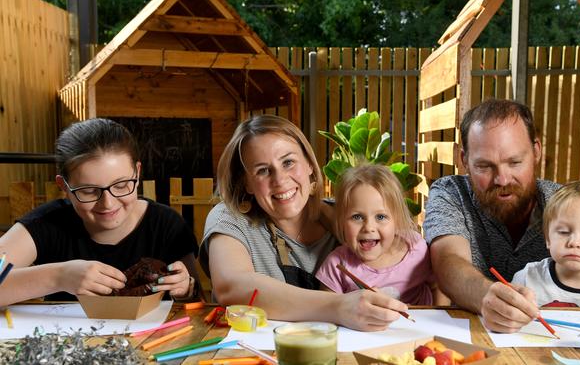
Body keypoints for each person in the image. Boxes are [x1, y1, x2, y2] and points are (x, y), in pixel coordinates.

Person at [423, 99, 580, 333]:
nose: (502, 179)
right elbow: (448, 260)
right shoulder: (450, 192)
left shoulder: (574, 208)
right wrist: (485, 297)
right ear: (464, 160)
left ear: (536, 152)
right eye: (484, 166)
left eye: (515, 162)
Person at [200, 115, 408, 331]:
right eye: (262, 170)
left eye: (288, 162)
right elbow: (231, 287)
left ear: (309, 163)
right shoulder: (229, 219)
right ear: (247, 183)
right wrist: (338, 307)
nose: (280, 180)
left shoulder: (355, 219)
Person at [0, 118, 199, 306]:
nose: (108, 203)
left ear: (137, 174)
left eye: (121, 185)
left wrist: (186, 289)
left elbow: (198, 303)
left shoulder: (167, 225)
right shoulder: (47, 223)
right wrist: (59, 276)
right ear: (64, 186)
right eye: (88, 191)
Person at [316, 164, 434, 305]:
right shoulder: (336, 265)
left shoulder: (416, 248)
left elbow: (437, 286)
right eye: (357, 217)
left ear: (396, 220)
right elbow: (327, 309)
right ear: (341, 222)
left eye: (380, 217)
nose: (369, 227)